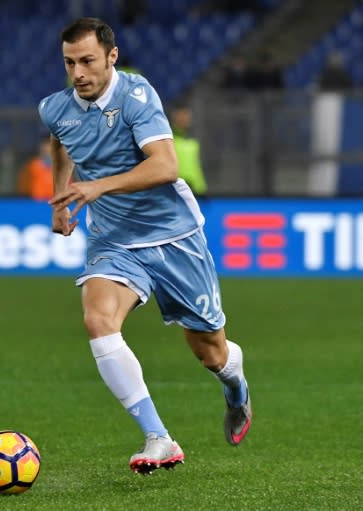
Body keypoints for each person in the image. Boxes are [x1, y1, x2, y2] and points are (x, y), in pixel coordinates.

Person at [38, 18, 251, 475]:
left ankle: (235, 383)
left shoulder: (137, 96)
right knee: (97, 318)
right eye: (70, 63)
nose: (78, 73)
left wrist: (97, 188)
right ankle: (158, 438)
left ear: (111, 58)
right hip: (114, 241)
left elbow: (167, 166)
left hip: (174, 237)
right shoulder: (55, 108)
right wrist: (61, 196)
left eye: (88, 61)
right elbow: (60, 142)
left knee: (210, 352)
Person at [170, 105, 207, 196]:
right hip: (176, 189)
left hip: (196, 192)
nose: (184, 120)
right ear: (174, 119)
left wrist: (201, 188)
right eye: (180, 117)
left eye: (186, 117)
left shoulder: (193, 142)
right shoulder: (168, 141)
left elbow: (196, 168)